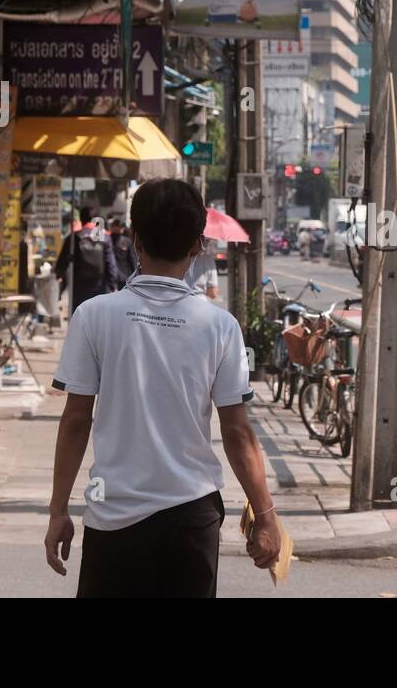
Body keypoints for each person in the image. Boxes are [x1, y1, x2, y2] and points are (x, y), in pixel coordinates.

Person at [44, 179, 279, 598]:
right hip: (191, 522)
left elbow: (76, 420)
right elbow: (238, 433)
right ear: (196, 246)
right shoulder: (220, 326)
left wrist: (58, 509)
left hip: (112, 520)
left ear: (135, 239)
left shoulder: (93, 316)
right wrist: (265, 514)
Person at [55, 207, 119, 315]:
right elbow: (111, 264)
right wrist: (113, 286)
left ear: (81, 219)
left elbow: (61, 263)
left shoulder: (73, 237)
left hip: (79, 287)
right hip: (100, 287)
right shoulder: (105, 237)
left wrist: (59, 275)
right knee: (98, 318)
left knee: (79, 317)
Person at [108, 217, 138, 290]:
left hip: (124, 278)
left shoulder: (127, 242)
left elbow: (132, 260)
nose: (118, 228)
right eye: (116, 226)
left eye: (120, 226)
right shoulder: (107, 240)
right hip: (110, 278)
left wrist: (135, 277)